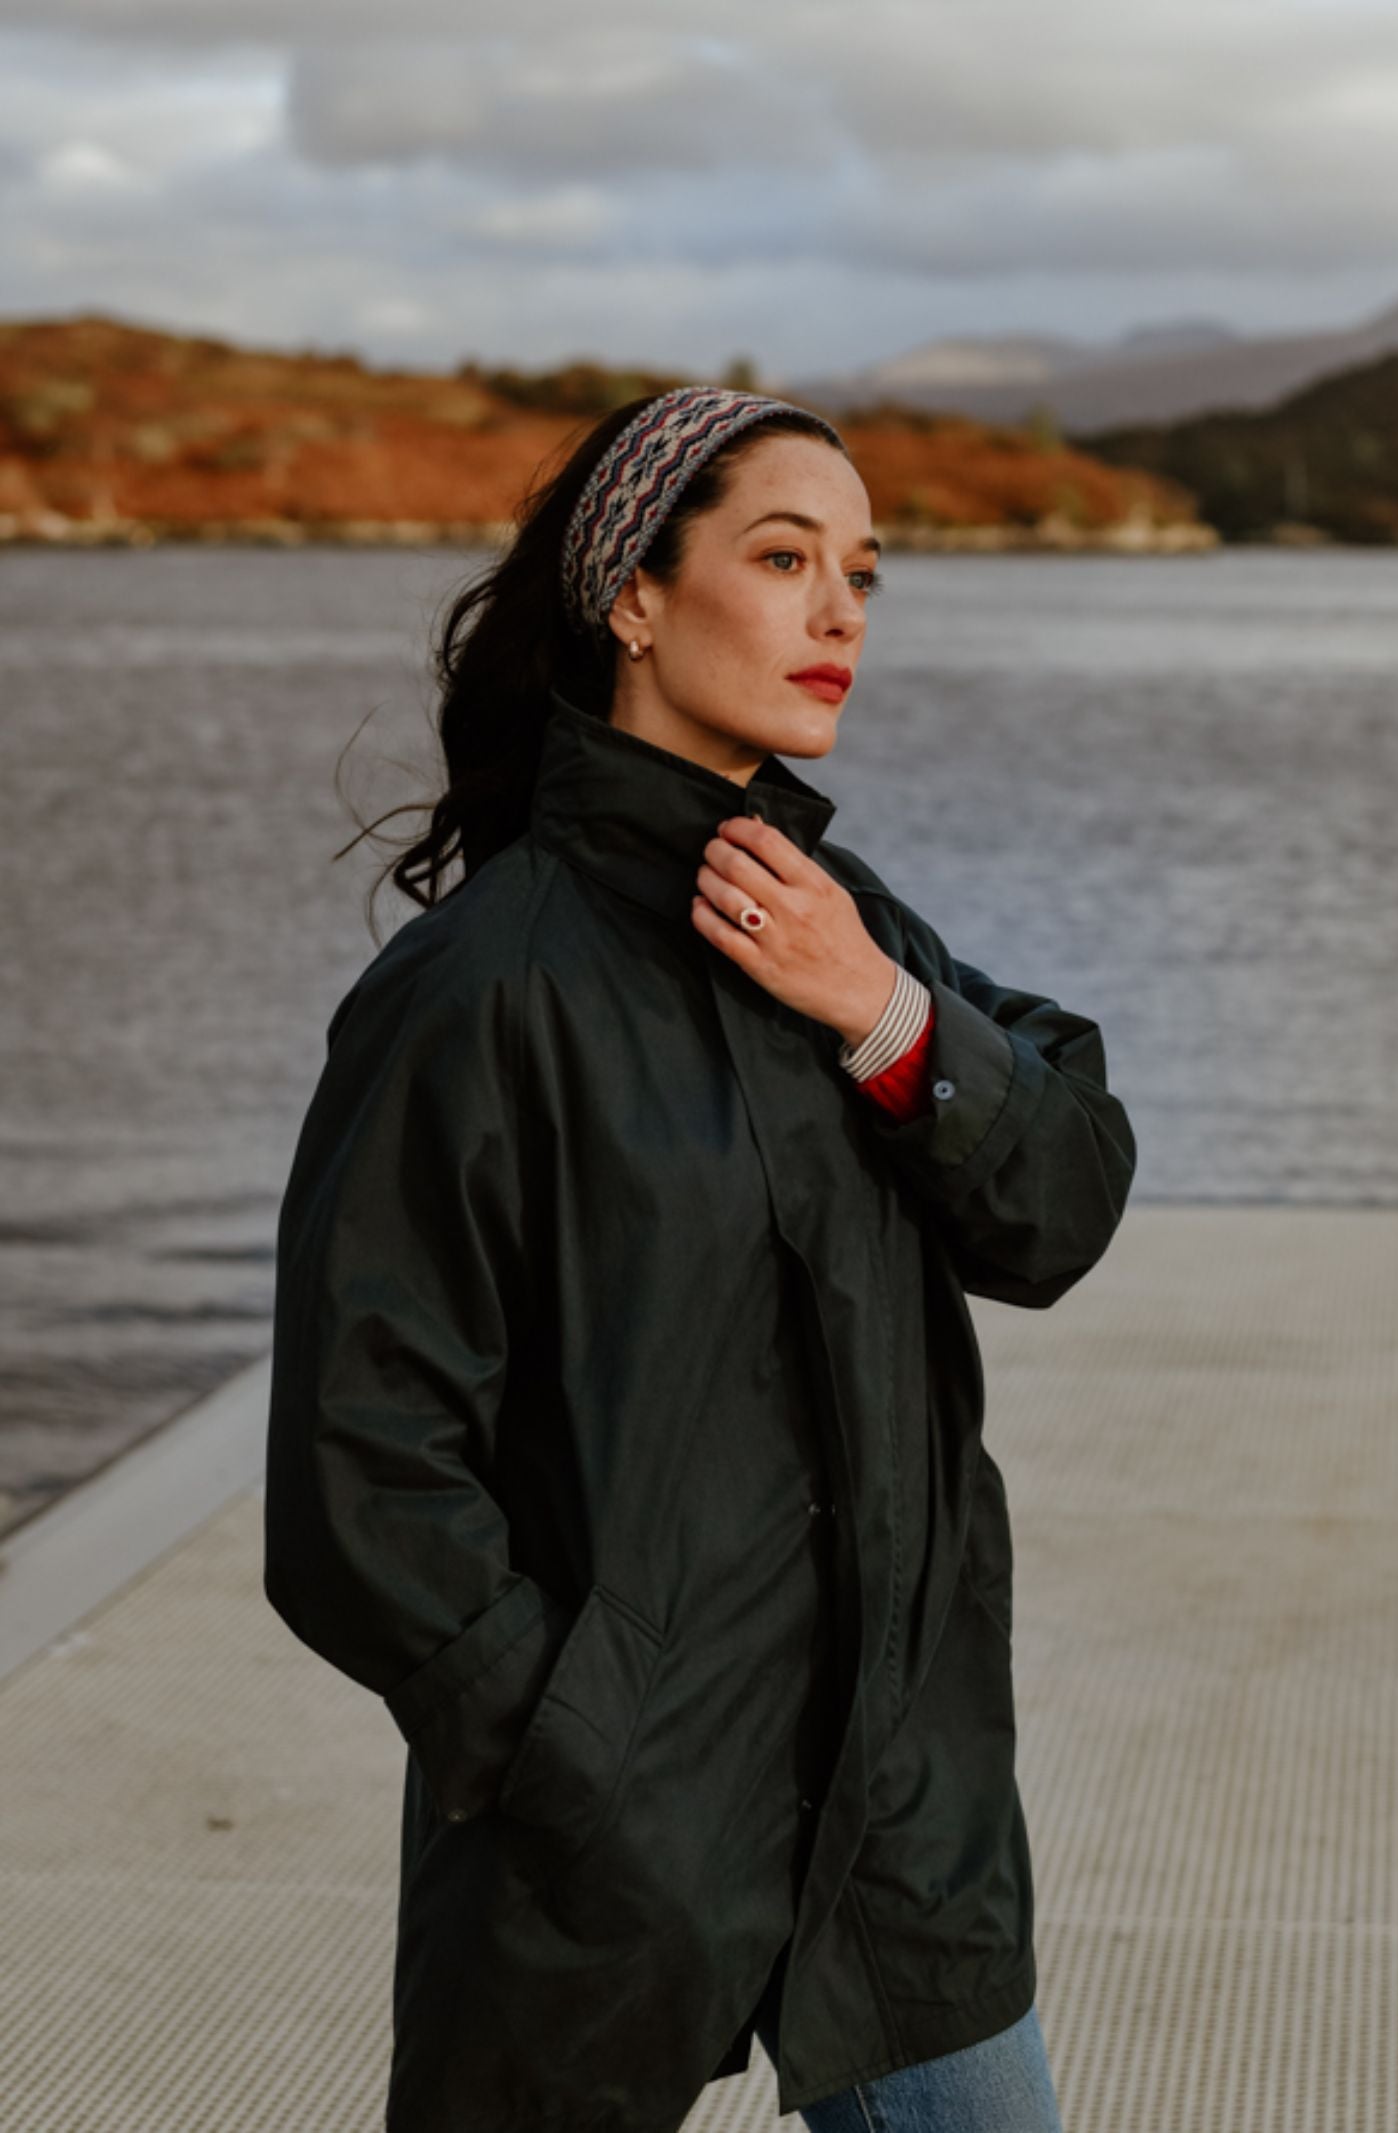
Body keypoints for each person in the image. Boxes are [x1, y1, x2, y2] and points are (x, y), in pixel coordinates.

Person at [262, 383, 1137, 2133]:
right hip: (601, 1860)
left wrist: (887, 1018)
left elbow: (1060, 1199)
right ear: (635, 599)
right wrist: (581, 1761)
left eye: (867, 576)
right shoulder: (479, 994)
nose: (838, 615)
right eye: (786, 555)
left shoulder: (847, 924)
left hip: (904, 1835)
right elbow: (358, 1479)